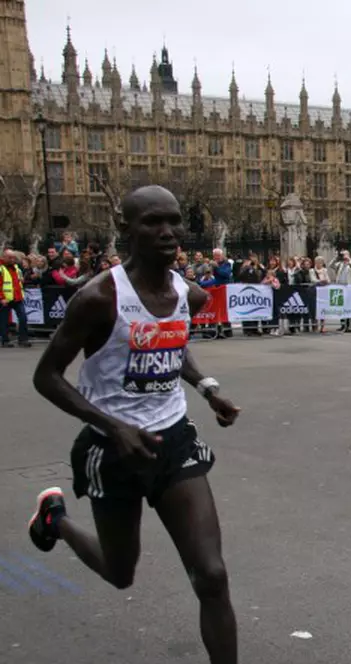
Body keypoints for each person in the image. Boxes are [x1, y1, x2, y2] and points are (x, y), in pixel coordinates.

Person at [28, 185, 242, 664]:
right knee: (120, 572)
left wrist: (207, 389)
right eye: (151, 222)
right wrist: (112, 425)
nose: (167, 232)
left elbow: (172, 341)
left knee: (211, 575)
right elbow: (45, 376)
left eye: (174, 221)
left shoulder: (191, 293)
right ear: (126, 229)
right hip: (114, 448)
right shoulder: (99, 298)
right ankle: (56, 521)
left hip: (175, 443)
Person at [1, 248, 32, 348]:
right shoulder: (1, 268)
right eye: (10, 258)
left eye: (13, 258)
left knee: (23, 318)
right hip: (6, 299)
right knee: (4, 320)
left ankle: (23, 339)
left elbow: (18, 281)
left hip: (18, 297)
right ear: (3, 257)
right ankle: (5, 340)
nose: (12, 260)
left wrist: (21, 280)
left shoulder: (16, 268)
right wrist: (1, 298)